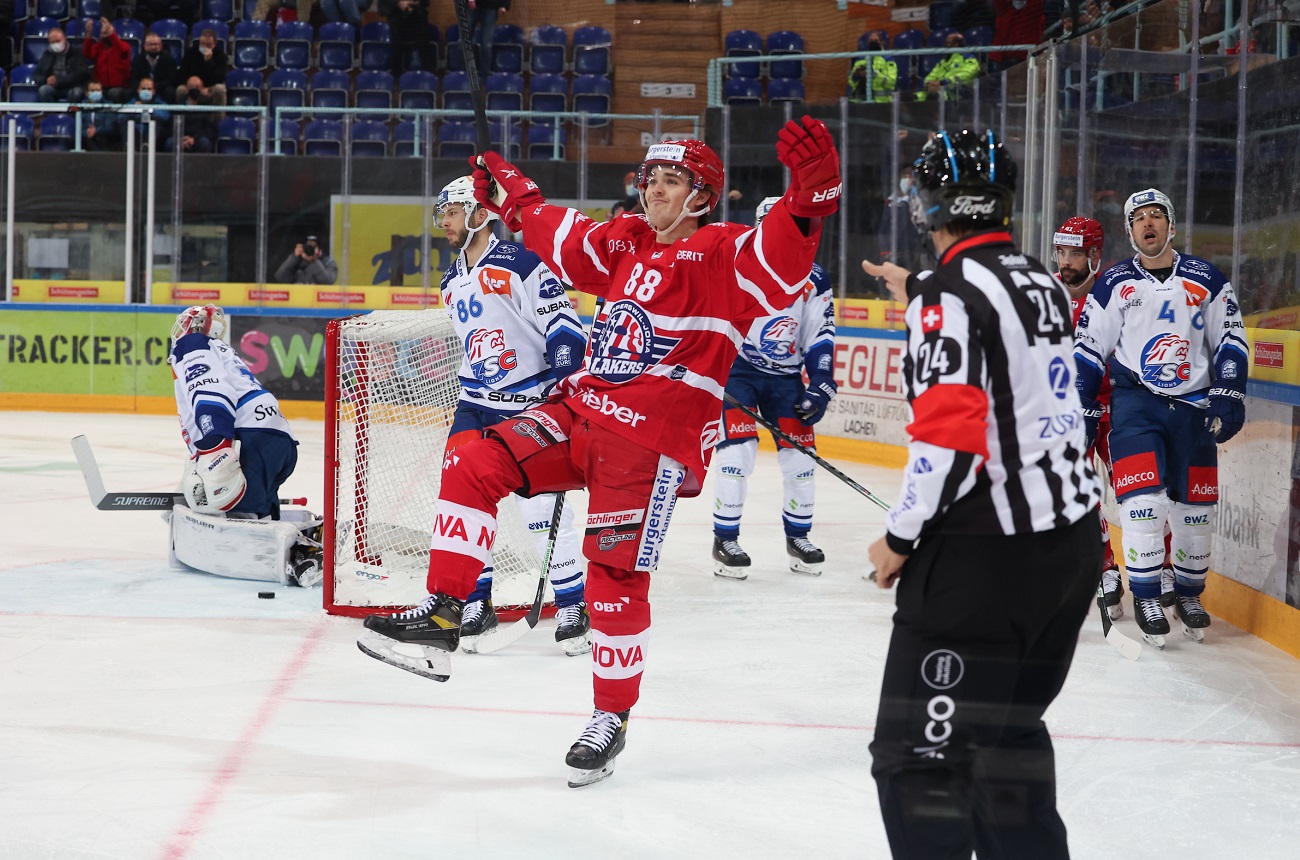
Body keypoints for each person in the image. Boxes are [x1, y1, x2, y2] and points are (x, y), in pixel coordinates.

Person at [358, 118, 839, 788]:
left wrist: (812, 192)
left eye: (673, 180)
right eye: (650, 177)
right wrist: (517, 197)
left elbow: (785, 255)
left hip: (649, 445)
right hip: (579, 415)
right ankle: (445, 611)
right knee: (472, 462)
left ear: (702, 197)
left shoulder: (725, 253)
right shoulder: (627, 243)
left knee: (612, 581)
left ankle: (610, 717)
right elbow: (563, 235)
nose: (656, 189)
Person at [862, 129, 1102, 858]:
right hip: (1067, 553)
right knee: (1007, 746)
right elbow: (996, 341)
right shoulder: (1036, 278)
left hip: (983, 569)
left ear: (928, 202)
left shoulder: (950, 298)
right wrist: (919, 290)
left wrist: (899, 538)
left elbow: (947, 440)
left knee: (918, 765)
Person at [1073, 188, 1248, 646]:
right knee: (1142, 503)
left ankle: (1189, 594)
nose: (1147, 224)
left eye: (1155, 216)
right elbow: (1089, 350)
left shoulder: (1206, 277)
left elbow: (1231, 337)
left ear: (1171, 225)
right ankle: (1147, 595)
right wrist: (1084, 406)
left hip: (1193, 409)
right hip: (1137, 406)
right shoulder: (1114, 283)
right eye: (1138, 219)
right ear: (1130, 231)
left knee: (1196, 513)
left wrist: (1230, 391)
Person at [434, 175, 591, 655]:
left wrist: (563, 374)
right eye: (440, 213)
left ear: (482, 214)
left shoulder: (522, 265)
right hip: (474, 404)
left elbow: (565, 328)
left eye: (453, 211)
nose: (444, 221)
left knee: (540, 509)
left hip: (528, 400)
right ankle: (475, 603)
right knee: (461, 501)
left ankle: (571, 602)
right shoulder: (450, 281)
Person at [712, 195, 836, 580]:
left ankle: (798, 537)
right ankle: (725, 540)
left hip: (785, 378)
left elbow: (820, 334)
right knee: (739, 452)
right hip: (738, 374)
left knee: (801, 462)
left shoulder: (814, 278)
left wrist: (821, 383)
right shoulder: (734, 266)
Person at [168, 305, 321, 587]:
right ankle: (292, 528)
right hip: (276, 437)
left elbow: (210, 390)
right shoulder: (222, 349)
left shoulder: (192, 345)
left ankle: (303, 552)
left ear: (195, 327)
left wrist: (216, 449)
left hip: (247, 438)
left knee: (238, 514)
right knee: (259, 500)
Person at [1054, 216, 1125, 614]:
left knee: (1137, 489)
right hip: (1070, 411)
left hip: (1116, 409)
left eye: (1075, 253)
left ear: (1094, 255)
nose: (1066, 261)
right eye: (1061, 252)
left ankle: (1162, 572)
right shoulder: (1045, 293)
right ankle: (1104, 568)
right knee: (1081, 494)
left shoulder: (1116, 290)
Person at [917, 31, 981, 100]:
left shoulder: (969, 58)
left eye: (948, 43)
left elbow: (967, 74)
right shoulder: (944, 60)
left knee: (933, 96)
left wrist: (943, 83)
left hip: (956, 92)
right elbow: (933, 74)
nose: (945, 45)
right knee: (911, 97)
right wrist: (928, 83)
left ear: (956, 44)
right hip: (938, 89)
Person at [81, 18, 132, 103]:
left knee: (114, 93)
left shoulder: (124, 46)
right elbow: (87, 53)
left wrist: (111, 34)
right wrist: (89, 33)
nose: (106, 35)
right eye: (103, 33)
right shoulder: (97, 47)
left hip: (119, 87)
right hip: (100, 86)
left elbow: (121, 50)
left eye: (108, 32)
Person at [379, 0, 435, 76]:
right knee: (396, 45)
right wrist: (398, 3)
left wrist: (412, 3)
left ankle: (428, 76)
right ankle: (396, 76)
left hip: (417, 11)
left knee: (423, 44)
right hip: (395, 12)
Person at [36, 28, 90, 104]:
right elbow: (37, 74)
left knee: (76, 93)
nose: (55, 44)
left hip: (72, 86)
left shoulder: (77, 53)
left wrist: (59, 81)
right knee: (43, 90)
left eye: (58, 41)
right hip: (54, 88)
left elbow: (81, 73)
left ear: (64, 39)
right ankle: (51, 115)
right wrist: (46, 80)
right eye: (52, 42)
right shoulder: (47, 54)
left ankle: (70, 115)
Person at [164, 78, 217, 153]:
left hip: (198, 139)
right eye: (191, 87)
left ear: (202, 89)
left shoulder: (207, 107)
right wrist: (181, 138)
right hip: (181, 137)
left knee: (204, 142)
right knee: (170, 142)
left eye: (197, 87)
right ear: (186, 89)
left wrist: (194, 139)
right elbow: (171, 126)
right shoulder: (178, 106)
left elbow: (209, 129)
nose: (194, 89)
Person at [177, 28, 228, 106]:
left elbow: (220, 78)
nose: (205, 47)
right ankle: (180, 116)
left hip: (209, 88)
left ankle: (219, 118)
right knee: (180, 90)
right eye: (202, 44)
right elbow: (182, 73)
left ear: (214, 44)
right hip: (192, 86)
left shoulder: (221, 56)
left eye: (208, 45)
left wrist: (209, 62)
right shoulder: (190, 52)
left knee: (220, 89)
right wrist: (190, 84)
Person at [848, 33, 898, 104]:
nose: (873, 42)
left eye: (875, 40)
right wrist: (856, 75)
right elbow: (851, 82)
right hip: (859, 100)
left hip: (881, 102)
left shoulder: (888, 59)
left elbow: (891, 82)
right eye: (871, 40)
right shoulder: (861, 58)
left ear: (881, 42)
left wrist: (875, 75)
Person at [131, 31, 180, 103]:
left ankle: (170, 112)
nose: (153, 47)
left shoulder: (168, 58)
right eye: (150, 45)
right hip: (143, 88)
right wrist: (142, 86)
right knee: (128, 92)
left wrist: (155, 86)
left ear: (161, 46)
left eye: (156, 44)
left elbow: (172, 79)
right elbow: (133, 79)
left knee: (170, 92)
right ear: (144, 46)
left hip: (161, 88)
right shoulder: (138, 59)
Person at [467, 0, 511, 73]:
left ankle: (483, 75)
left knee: (486, 44)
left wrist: (505, 5)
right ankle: (463, 73)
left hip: (491, 8)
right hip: (471, 6)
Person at [275, 235, 339, 284]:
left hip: (318, 299)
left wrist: (314, 261)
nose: (310, 249)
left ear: (319, 249)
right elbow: (280, 277)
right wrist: (294, 257)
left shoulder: (328, 262)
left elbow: (328, 281)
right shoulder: (297, 261)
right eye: (308, 246)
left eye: (313, 247)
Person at [80, 80, 122, 151]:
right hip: (86, 139)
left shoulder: (108, 106)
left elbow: (110, 127)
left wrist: (96, 131)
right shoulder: (82, 107)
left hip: (104, 139)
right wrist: (86, 132)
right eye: (93, 90)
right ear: (87, 93)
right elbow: (79, 126)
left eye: (98, 90)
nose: (96, 93)